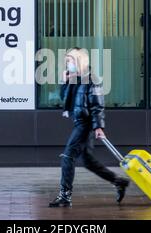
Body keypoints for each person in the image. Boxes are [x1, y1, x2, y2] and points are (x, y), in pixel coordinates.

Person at [49, 47, 130, 208]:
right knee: (87, 161)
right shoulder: (75, 78)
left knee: (68, 156)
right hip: (79, 121)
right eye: (67, 60)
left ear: (79, 60)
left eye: (70, 60)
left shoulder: (92, 78)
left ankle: (65, 195)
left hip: (85, 124)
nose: (68, 63)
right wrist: (64, 82)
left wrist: (98, 126)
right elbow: (64, 98)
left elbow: (97, 105)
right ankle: (119, 182)